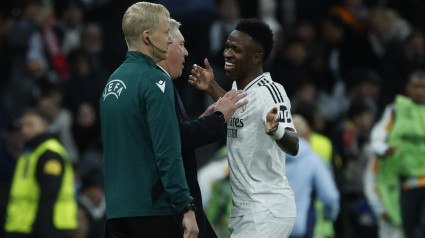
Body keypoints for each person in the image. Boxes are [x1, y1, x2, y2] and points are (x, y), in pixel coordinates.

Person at [189, 18, 299, 238]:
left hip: (267, 208)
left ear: (256, 57)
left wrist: (276, 129)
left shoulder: (271, 92)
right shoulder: (238, 89)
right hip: (246, 210)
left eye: (236, 49)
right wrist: (211, 86)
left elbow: (294, 145)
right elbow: (238, 109)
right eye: (228, 46)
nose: (227, 54)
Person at [99, 2, 198, 238]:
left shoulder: (112, 82)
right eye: (165, 33)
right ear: (147, 36)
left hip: (116, 212)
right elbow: (167, 153)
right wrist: (186, 207)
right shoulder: (156, 81)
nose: (168, 40)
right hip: (153, 212)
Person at [157, 19, 248, 238]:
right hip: (174, 203)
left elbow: (175, 134)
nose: (186, 52)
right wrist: (216, 119)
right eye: (181, 44)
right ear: (164, 45)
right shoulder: (157, 85)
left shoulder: (162, 83)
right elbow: (175, 140)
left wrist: (203, 120)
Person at [4, 108, 78, 238]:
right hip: (22, 226)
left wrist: (41, 229)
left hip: (43, 228)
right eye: (23, 125)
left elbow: (50, 193)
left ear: (45, 126)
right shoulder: (30, 153)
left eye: (30, 125)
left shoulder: (50, 154)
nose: (24, 130)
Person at [370, 70, 425, 238]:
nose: (419, 91)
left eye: (423, 87)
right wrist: (383, 149)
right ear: (407, 88)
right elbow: (377, 137)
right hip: (405, 183)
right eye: (415, 86)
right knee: (408, 228)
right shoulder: (396, 110)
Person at [286, 115, 340, 238]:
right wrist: (329, 214)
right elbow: (330, 196)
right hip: (301, 228)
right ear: (307, 133)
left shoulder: (271, 159)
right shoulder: (313, 160)